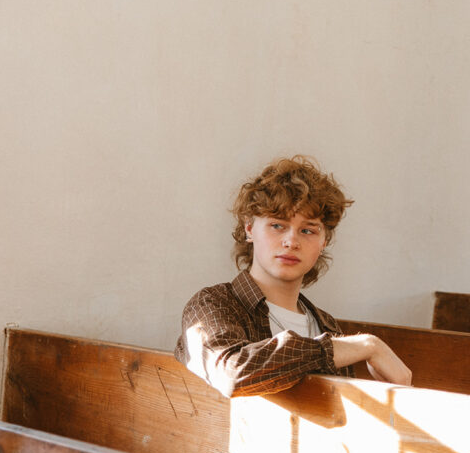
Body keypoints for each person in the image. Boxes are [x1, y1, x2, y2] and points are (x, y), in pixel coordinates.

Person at [175, 155, 412, 397]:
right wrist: (366, 345)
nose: (291, 241)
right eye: (277, 225)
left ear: (323, 242)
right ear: (249, 229)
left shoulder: (326, 325)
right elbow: (232, 373)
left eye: (307, 230)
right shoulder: (212, 304)